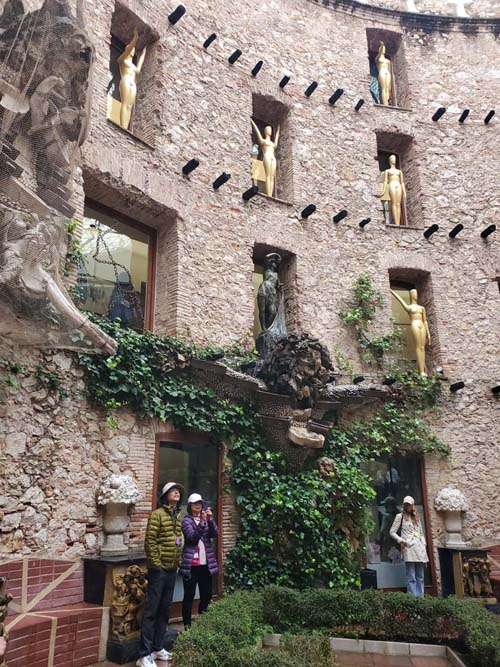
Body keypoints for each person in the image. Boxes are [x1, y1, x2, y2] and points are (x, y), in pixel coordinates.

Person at [136, 482, 184, 667]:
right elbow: (150, 541)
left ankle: (157, 647)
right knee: (152, 611)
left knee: (165, 609)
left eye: (178, 491)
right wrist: (156, 566)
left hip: (172, 569)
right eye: (173, 491)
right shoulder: (157, 515)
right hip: (160, 571)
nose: (177, 493)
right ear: (165, 496)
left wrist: (177, 559)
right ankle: (144, 654)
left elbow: (178, 538)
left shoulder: (178, 515)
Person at [180, 493, 219, 630]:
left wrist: (210, 520)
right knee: (189, 596)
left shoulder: (205, 519)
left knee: (206, 595)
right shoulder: (186, 521)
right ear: (190, 505)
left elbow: (214, 534)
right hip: (191, 565)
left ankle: (203, 625)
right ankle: (187, 626)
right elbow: (192, 537)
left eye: (200, 503)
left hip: (205, 564)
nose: (198, 505)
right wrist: (202, 523)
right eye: (196, 503)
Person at [390, 495, 428, 596]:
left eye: (409, 505)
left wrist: (424, 544)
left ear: (412, 505)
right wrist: (401, 540)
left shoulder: (416, 516)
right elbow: (392, 532)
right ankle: (413, 598)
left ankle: (421, 598)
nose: (407, 507)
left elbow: (420, 532)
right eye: (406, 505)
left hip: (419, 548)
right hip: (409, 548)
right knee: (411, 576)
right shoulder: (400, 517)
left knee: (420, 576)